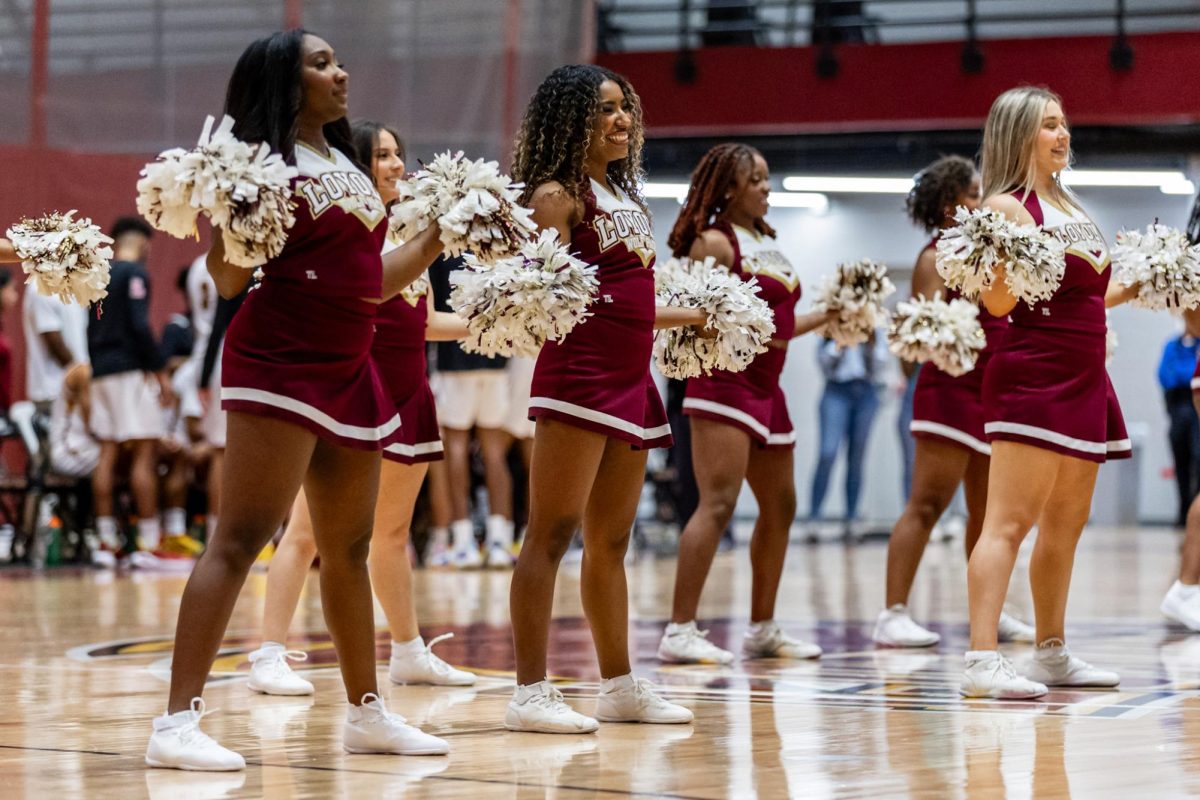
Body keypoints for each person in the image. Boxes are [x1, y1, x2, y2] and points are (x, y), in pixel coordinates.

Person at [145, 29, 447, 771]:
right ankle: (175, 724)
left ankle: (366, 714)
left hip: (352, 362)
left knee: (345, 549)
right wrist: (230, 224)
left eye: (339, 60)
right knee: (241, 539)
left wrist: (444, 232)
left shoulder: (342, 162)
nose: (341, 73)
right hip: (279, 358)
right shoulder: (259, 165)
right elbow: (223, 279)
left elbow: (372, 281)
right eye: (321, 64)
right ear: (284, 81)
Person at [506, 64, 706, 733]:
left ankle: (618, 684)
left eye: (625, 109)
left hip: (632, 379)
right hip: (579, 378)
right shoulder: (556, 196)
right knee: (551, 533)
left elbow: (631, 302)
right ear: (570, 122)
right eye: (605, 111)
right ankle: (529, 692)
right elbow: (532, 292)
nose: (622, 121)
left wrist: (701, 315)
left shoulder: (624, 196)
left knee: (612, 539)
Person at [247, 119, 476, 696]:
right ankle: (269, 653)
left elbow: (420, 324)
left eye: (399, 154)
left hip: (409, 392)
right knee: (305, 533)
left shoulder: (413, 230)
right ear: (356, 164)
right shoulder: (343, 229)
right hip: (352, 389)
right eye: (382, 156)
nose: (397, 165)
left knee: (392, 535)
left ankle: (408, 651)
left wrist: (497, 326)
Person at [962, 86, 1137, 699]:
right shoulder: (1006, 208)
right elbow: (1000, 302)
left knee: (1065, 524)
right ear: (1018, 136)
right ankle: (982, 661)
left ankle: (1051, 651)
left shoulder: (1074, 209)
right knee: (1007, 523)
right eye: (1048, 126)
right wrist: (1010, 258)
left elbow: (1084, 296)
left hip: (1088, 379)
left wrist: (1140, 283)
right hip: (1035, 376)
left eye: (1064, 124)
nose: (1062, 135)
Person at [656, 143, 828, 666]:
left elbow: (781, 326)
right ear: (729, 188)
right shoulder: (713, 243)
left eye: (767, 178)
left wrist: (833, 312)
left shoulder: (763, 242)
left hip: (768, 390)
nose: (766, 188)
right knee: (719, 504)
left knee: (781, 507)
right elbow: (690, 315)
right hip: (724, 386)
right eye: (757, 179)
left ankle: (763, 628)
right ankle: (680, 630)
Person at [873, 155, 1033, 648]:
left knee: (987, 515)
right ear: (948, 206)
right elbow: (922, 332)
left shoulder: (989, 251)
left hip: (991, 391)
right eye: (971, 194)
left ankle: (989, 612)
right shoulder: (933, 255)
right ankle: (893, 614)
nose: (981, 201)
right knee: (926, 504)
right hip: (948, 391)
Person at [87, 216, 172, 561]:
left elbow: (88, 327)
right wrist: (158, 369)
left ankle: (106, 541)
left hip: (100, 371)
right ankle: (150, 544)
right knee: (145, 452)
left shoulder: (97, 275)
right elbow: (139, 325)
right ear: (141, 241)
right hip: (128, 371)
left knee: (107, 453)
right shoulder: (135, 273)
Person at [808, 333, 890, 535]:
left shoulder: (874, 326)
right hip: (836, 391)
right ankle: (814, 517)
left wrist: (869, 341)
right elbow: (823, 363)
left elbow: (881, 365)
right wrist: (841, 341)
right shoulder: (831, 325)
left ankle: (851, 518)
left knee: (857, 457)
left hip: (866, 393)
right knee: (828, 453)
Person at [22, 273, 89, 416]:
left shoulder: (74, 283)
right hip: (53, 391)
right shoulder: (41, 285)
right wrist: (82, 379)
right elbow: (54, 343)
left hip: (76, 386)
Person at [1157, 310, 1200, 527]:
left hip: (1196, 409)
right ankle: (1183, 510)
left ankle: (1195, 507)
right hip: (1179, 407)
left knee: (1198, 457)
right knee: (1181, 460)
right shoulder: (1172, 346)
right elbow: (1166, 375)